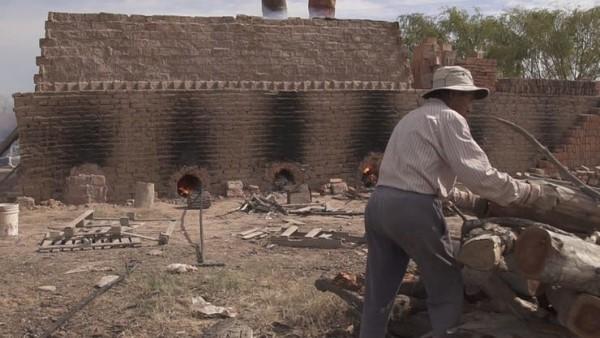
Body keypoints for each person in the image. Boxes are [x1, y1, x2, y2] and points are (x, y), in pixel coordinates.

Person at [359, 66, 557, 337]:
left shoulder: (411, 118)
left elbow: (423, 179)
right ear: (452, 95)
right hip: (413, 210)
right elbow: (480, 175)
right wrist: (526, 192)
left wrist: (472, 201)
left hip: (379, 206)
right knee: (445, 284)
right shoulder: (449, 118)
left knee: (379, 291)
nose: (471, 107)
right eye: (468, 98)